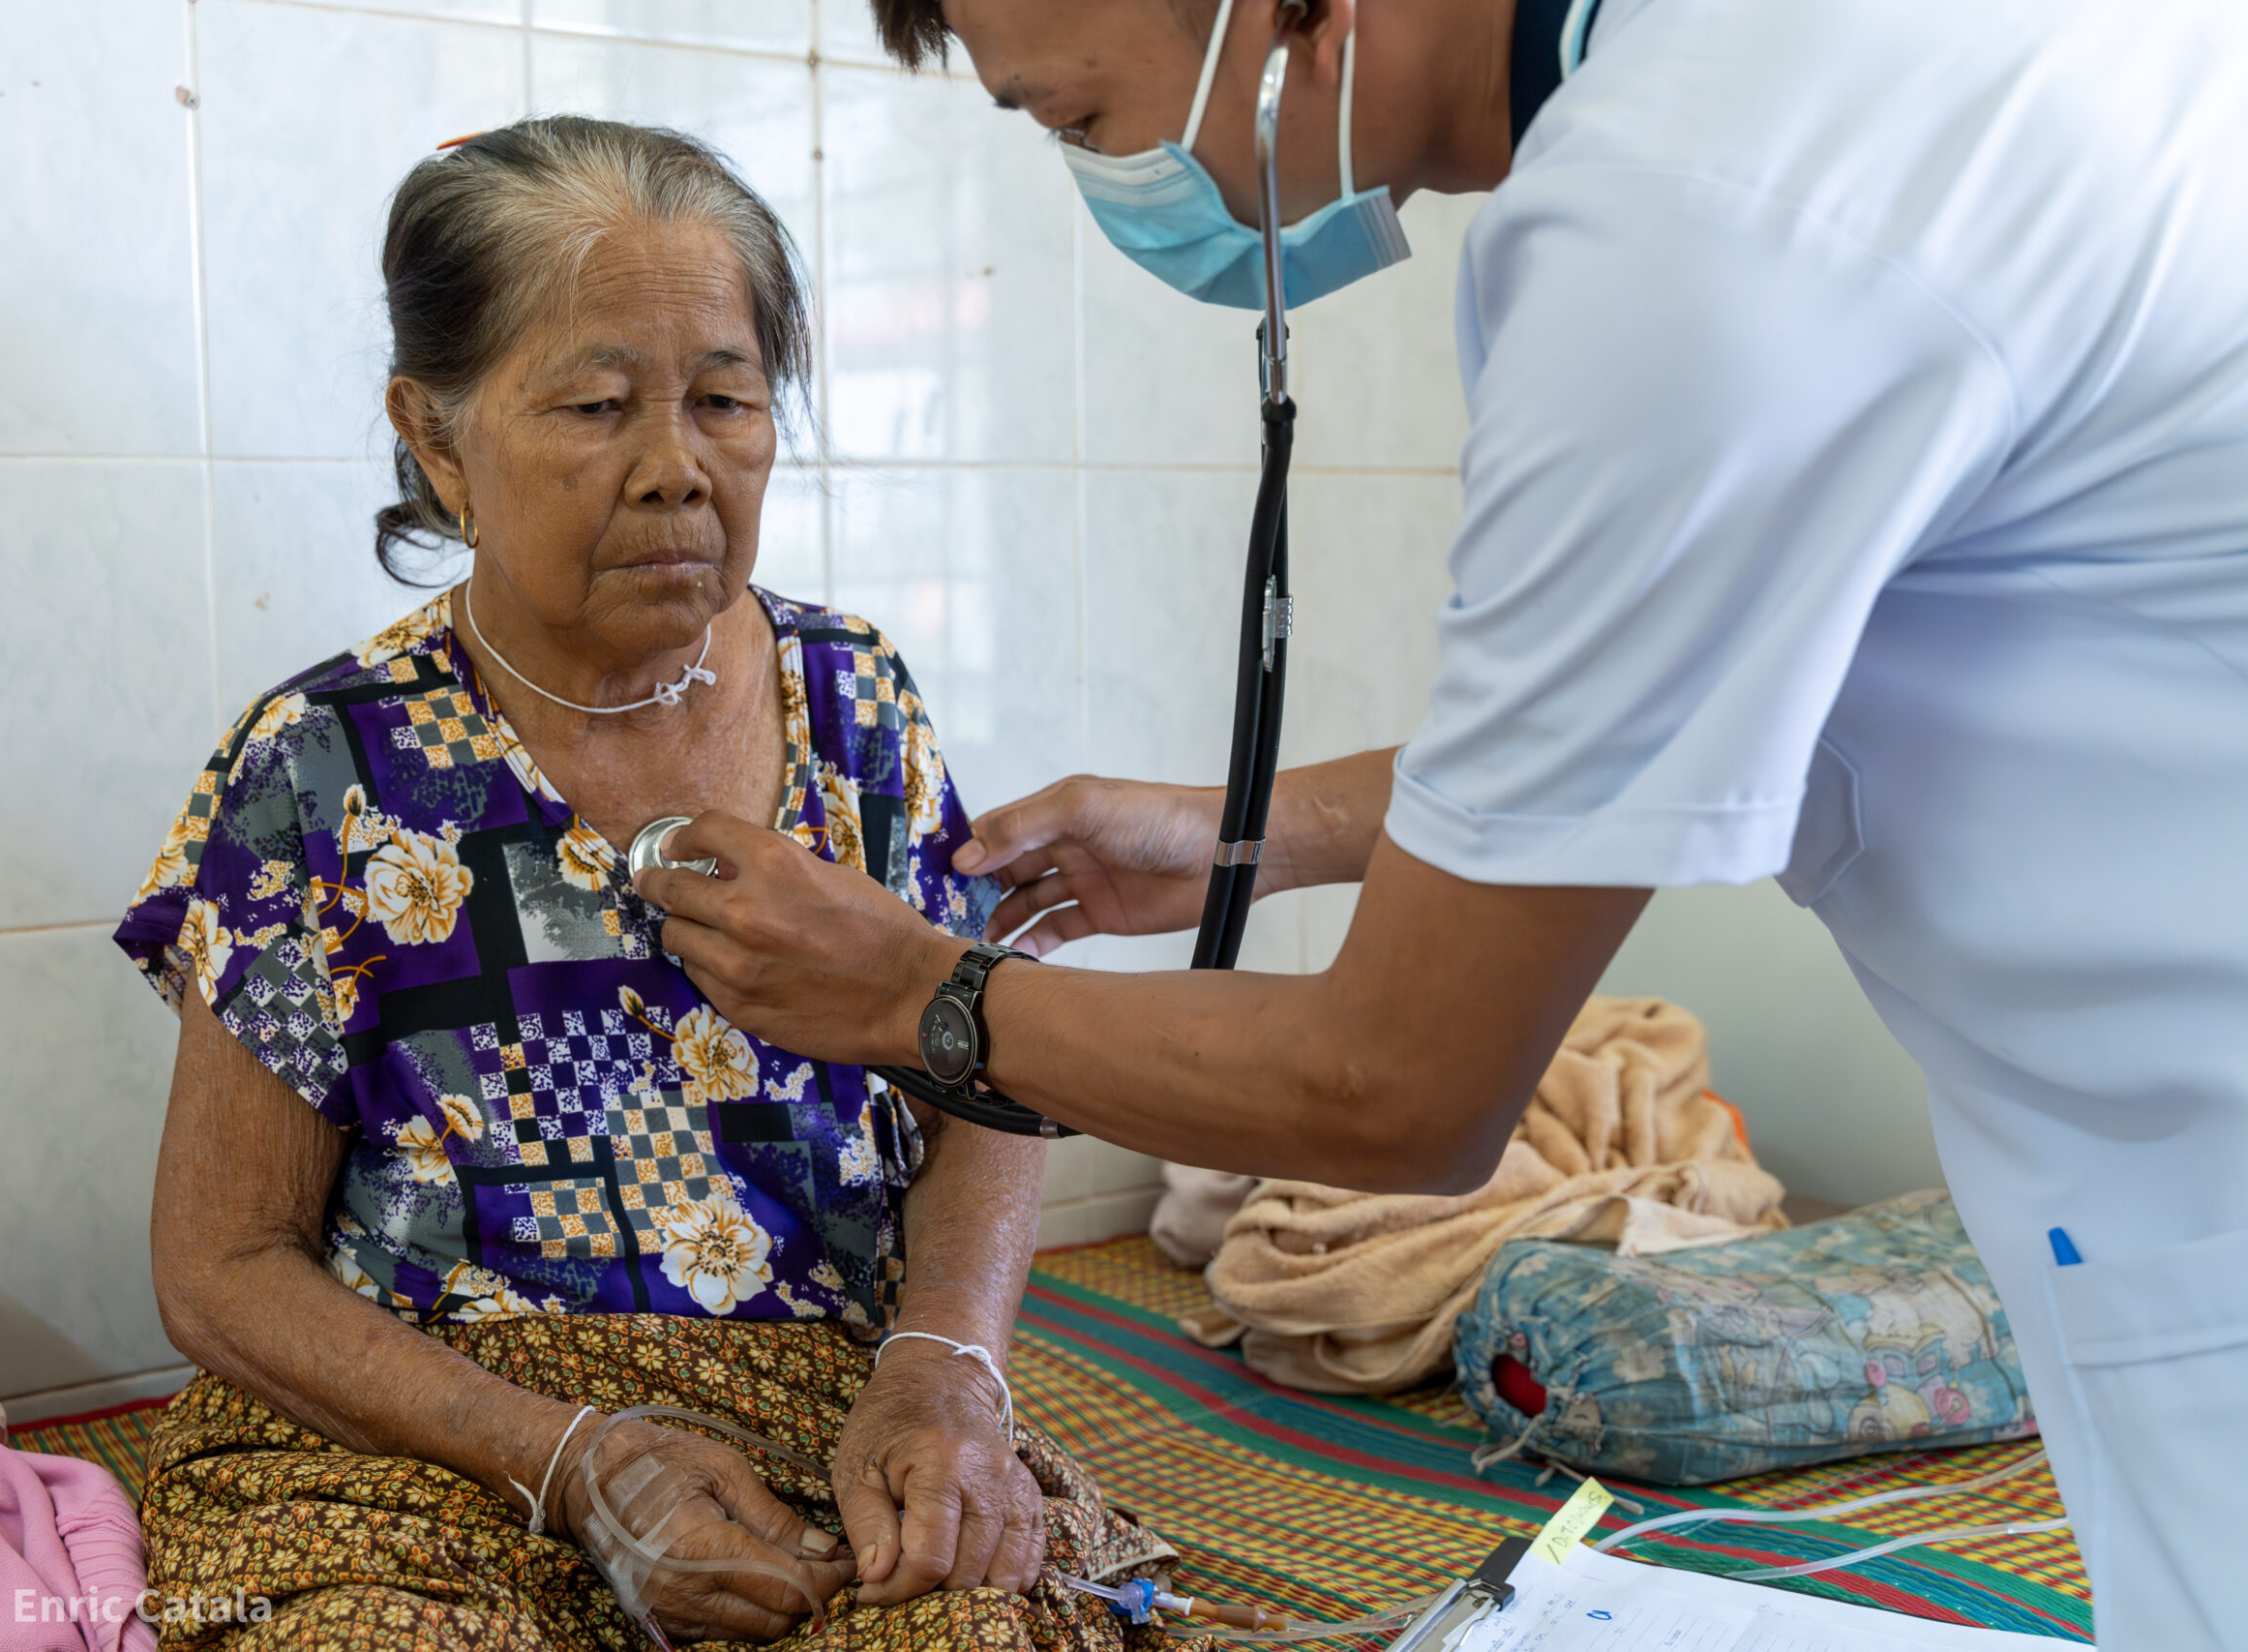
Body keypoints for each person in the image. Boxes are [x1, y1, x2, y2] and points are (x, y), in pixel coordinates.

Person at [630, 1, 2248, 1644]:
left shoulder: (1686, 226)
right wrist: (1231, 832)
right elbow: (1666, 721)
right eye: (588, 408)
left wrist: (918, 997)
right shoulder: (1793, 97)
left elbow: (1400, 1085)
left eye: (1079, 117)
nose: (671, 479)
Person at [116, 117, 1177, 1651]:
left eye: (727, 400)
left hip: (821, 1418)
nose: (679, 470)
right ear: (437, 435)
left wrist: (944, 1366)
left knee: (988, 1632)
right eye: (600, 404)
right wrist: (569, 1458)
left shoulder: (853, 702)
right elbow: (218, 1270)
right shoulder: (321, 767)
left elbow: (980, 1084)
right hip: (425, 1449)